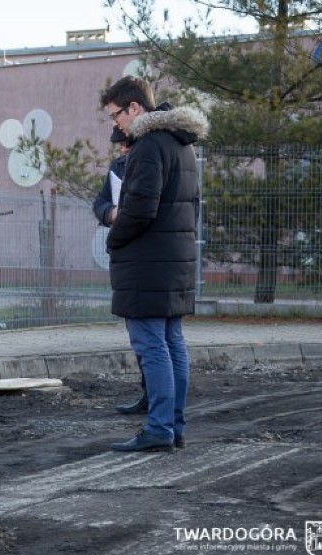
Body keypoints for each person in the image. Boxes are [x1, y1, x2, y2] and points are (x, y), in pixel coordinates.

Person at [99, 76, 208, 452]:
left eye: (115, 116)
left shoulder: (147, 147)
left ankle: (159, 427)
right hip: (174, 261)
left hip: (147, 262)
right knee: (173, 342)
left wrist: (112, 240)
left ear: (134, 108)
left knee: (152, 346)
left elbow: (139, 209)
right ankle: (173, 426)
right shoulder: (182, 145)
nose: (115, 125)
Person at [93, 126, 148, 416]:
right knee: (138, 334)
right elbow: (100, 202)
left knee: (152, 337)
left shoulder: (148, 163)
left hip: (142, 256)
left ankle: (159, 401)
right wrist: (110, 214)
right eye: (119, 146)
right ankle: (148, 394)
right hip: (125, 255)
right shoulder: (117, 167)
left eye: (126, 145)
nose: (122, 150)